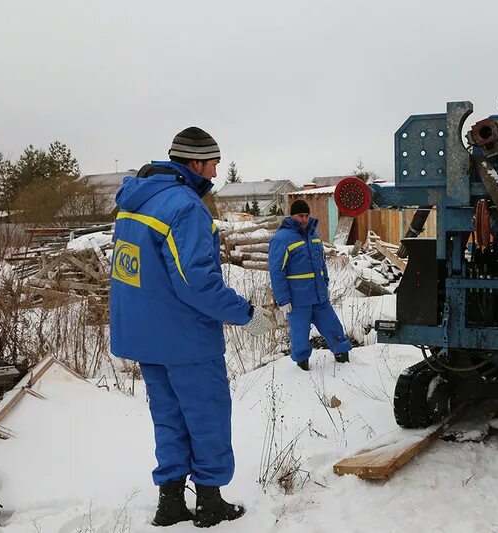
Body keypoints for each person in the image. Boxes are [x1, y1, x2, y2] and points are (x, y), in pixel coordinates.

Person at [109, 127, 274, 528]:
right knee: (207, 417)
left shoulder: (135, 202)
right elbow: (196, 283)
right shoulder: (184, 206)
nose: (216, 172)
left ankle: (170, 504)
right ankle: (210, 504)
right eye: (213, 162)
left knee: (168, 419)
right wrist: (246, 314)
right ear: (195, 162)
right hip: (186, 339)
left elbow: (133, 273)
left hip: (145, 337)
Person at [268, 200, 352, 371]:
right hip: (298, 300)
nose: (304, 219)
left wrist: (325, 284)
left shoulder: (313, 235)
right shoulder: (281, 239)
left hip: (319, 297)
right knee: (300, 336)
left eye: (307, 216)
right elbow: (277, 271)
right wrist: (283, 300)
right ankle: (302, 369)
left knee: (334, 327)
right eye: (300, 216)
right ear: (292, 216)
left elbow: (321, 263)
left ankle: (345, 363)